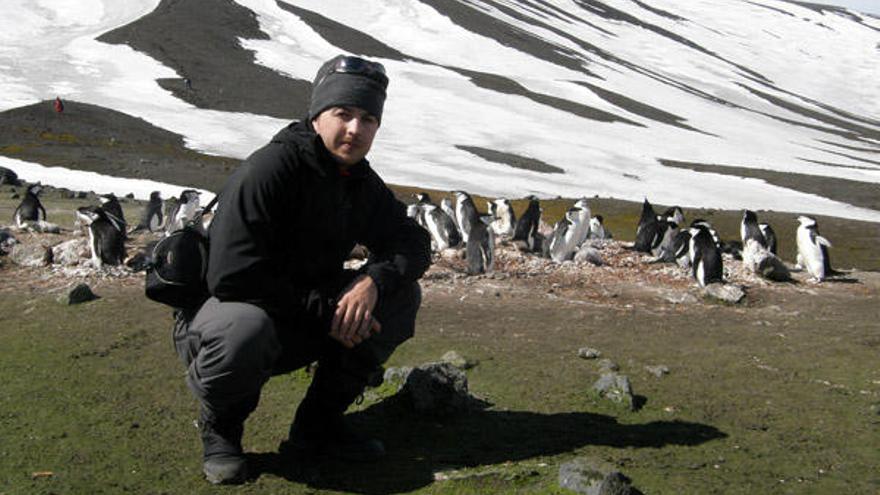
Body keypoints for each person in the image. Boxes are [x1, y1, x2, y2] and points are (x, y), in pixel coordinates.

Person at [173, 55, 432, 485]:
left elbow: (414, 242)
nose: (354, 128)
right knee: (244, 328)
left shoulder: (357, 182)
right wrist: (329, 310)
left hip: (301, 314)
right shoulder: (270, 170)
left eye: (368, 118)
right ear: (317, 115)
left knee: (399, 295)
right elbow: (234, 276)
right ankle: (221, 432)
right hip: (223, 317)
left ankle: (317, 426)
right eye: (343, 113)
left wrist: (373, 281)